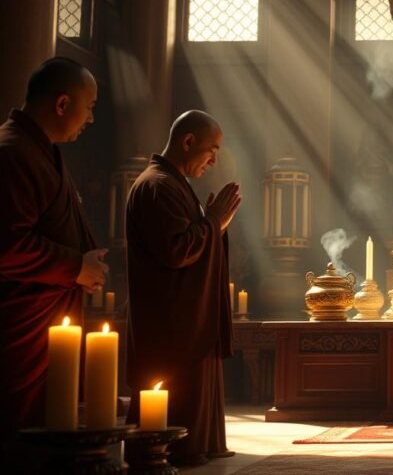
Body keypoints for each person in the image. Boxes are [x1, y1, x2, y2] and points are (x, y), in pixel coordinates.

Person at [0, 58, 107, 447]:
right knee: (19, 433)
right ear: (62, 104)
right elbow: (7, 245)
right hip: (20, 324)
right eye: (90, 106)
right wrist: (76, 266)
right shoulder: (12, 152)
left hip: (48, 320)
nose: (91, 118)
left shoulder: (40, 150)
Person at [125, 110, 241, 465]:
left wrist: (212, 225)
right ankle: (170, 451)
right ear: (188, 141)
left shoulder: (174, 184)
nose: (214, 159)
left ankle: (198, 446)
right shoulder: (157, 186)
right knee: (172, 401)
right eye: (212, 149)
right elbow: (176, 251)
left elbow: (191, 241)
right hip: (171, 321)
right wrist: (212, 222)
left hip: (188, 315)